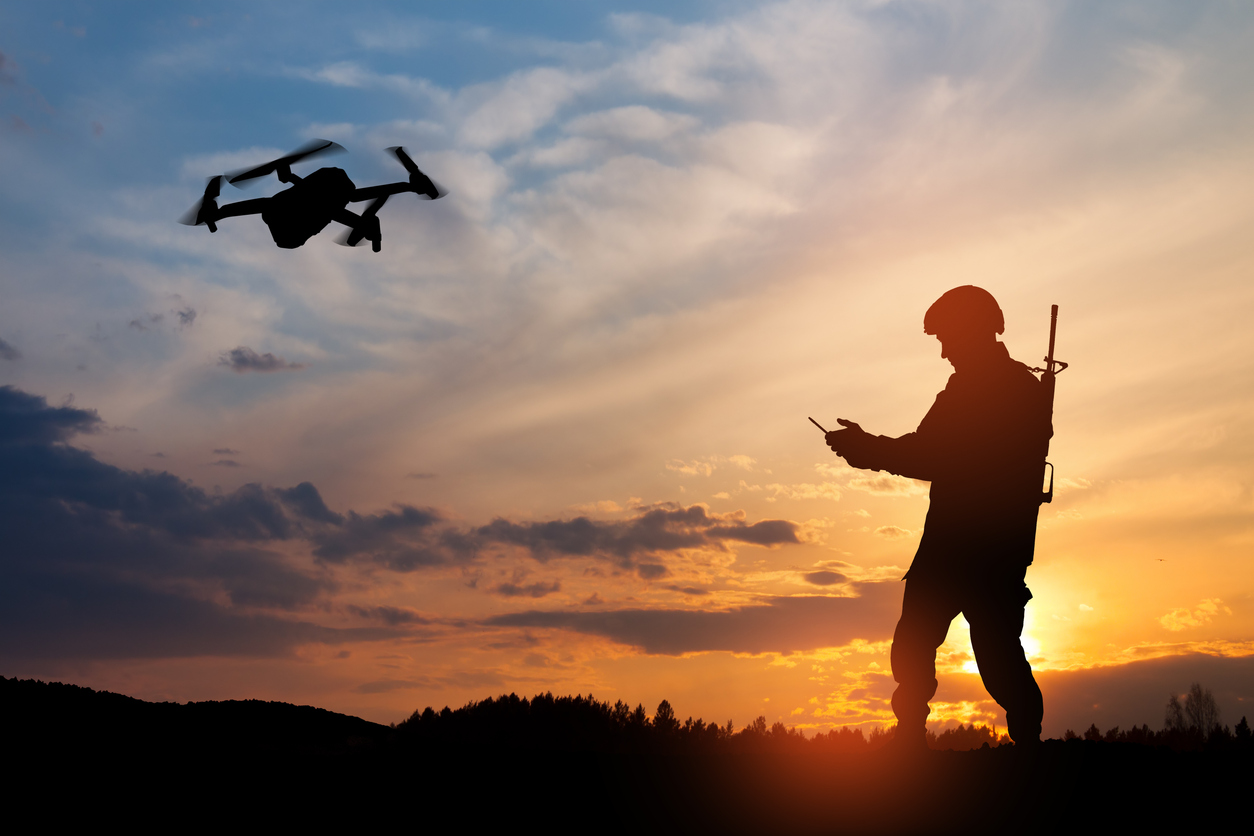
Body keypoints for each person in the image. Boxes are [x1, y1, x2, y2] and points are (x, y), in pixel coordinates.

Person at [825, 286, 1049, 750]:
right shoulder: (973, 387)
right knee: (915, 645)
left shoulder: (1006, 390)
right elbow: (929, 450)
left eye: (947, 338)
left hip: (984, 553)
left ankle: (1028, 748)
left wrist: (867, 448)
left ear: (972, 332)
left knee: (998, 663)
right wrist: (868, 448)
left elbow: (931, 454)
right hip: (953, 549)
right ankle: (911, 741)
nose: (944, 352)